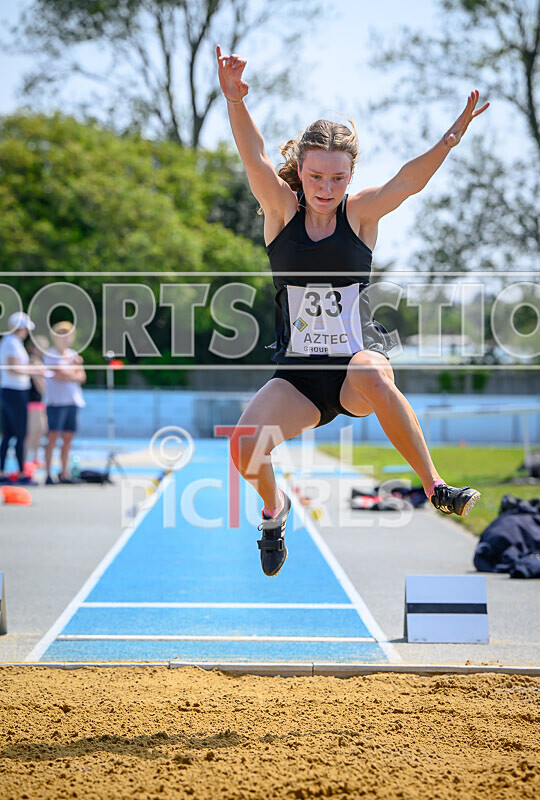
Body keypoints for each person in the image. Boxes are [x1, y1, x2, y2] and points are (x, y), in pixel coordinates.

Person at [216, 45, 489, 577]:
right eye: (316, 177)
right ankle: (274, 512)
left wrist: (450, 140)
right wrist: (234, 102)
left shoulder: (360, 215)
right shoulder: (281, 212)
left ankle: (435, 486)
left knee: (371, 368)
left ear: (350, 174)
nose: (326, 189)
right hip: (297, 376)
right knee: (245, 448)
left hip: (353, 370)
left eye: (337, 179)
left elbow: (409, 182)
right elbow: (253, 156)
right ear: (301, 170)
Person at [0, 312, 44, 485]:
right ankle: (20, 473)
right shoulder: (11, 343)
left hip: (13, 391)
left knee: (10, 434)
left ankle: (4, 471)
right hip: (14, 391)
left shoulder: (12, 342)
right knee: (20, 433)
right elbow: (13, 369)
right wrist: (34, 371)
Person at [43, 321, 86, 485]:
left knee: (68, 438)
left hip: (72, 401)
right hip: (56, 402)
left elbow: (81, 377)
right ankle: (47, 473)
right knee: (53, 437)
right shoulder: (51, 354)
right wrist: (72, 371)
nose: (65, 338)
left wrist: (71, 372)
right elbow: (59, 375)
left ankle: (64, 472)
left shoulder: (73, 354)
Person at [25, 334, 49, 467]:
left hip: (40, 402)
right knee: (32, 432)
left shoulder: (40, 361)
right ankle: (26, 460)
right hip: (32, 401)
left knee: (40, 431)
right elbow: (39, 383)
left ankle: (34, 457)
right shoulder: (32, 361)